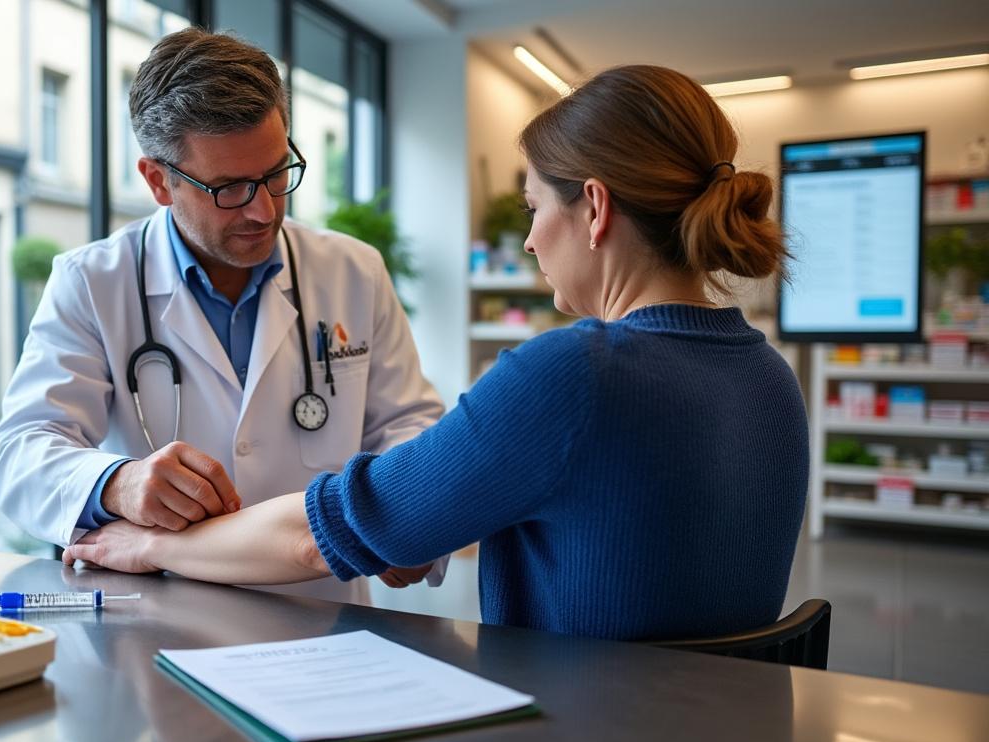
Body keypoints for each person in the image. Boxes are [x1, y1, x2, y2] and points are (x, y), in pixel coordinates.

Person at [61, 64, 811, 641]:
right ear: (158, 180)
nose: (527, 238)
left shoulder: (572, 373)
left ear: (595, 208)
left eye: (534, 207)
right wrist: (117, 485)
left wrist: (142, 547)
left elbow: (310, 539)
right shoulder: (770, 379)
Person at [0, 27, 445, 605]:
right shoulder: (92, 282)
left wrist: (416, 513)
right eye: (230, 188)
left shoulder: (353, 270)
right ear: (159, 180)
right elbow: (21, 452)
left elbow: (409, 423)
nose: (263, 209)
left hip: (322, 607)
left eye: (277, 173)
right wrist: (119, 483)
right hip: (164, 613)